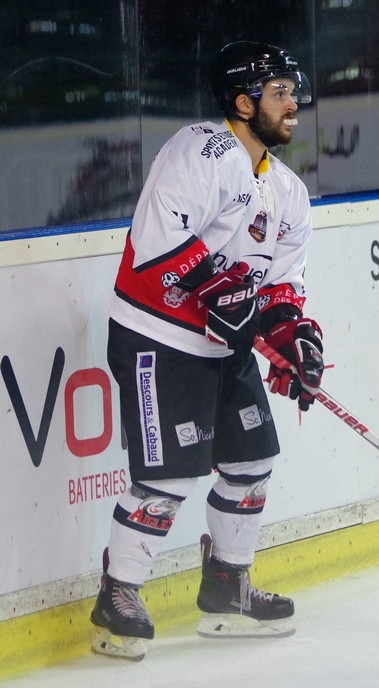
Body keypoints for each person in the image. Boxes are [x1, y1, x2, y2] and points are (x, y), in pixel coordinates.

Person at [89, 40, 324, 661]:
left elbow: (280, 290)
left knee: (251, 463)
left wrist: (293, 339)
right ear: (244, 103)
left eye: (293, 91)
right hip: (157, 335)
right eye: (280, 93)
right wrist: (219, 289)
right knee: (169, 474)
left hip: (222, 348)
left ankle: (228, 589)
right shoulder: (201, 149)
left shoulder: (291, 194)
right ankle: (119, 592)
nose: (293, 102)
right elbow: (158, 237)